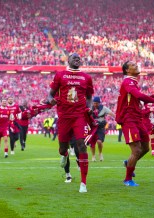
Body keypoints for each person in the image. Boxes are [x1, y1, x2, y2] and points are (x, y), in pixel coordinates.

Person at [46, 53, 94, 193]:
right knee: (62, 148)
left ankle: (83, 183)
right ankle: (65, 155)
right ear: (68, 60)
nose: (77, 59)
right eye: (74, 58)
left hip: (79, 115)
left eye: (79, 58)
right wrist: (51, 100)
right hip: (64, 116)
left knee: (81, 146)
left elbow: (89, 97)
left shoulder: (86, 77)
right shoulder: (60, 75)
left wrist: (89, 108)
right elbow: (50, 94)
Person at [116, 61, 154, 187]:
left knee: (146, 148)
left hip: (137, 119)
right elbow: (138, 95)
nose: (136, 65)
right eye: (132, 64)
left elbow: (137, 98)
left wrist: (153, 95)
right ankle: (127, 179)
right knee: (136, 150)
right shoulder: (128, 81)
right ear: (127, 70)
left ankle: (128, 162)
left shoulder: (133, 82)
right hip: (129, 119)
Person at [89, 96, 115, 162]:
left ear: (99, 103)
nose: (95, 104)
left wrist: (118, 118)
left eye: (97, 103)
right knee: (92, 143)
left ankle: (100, 153)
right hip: (92, 127)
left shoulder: (104, 108)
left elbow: (112, 114)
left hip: (100, 127)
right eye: (94, 103)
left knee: (99, 141)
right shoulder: (90, 109)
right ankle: (93, 156)